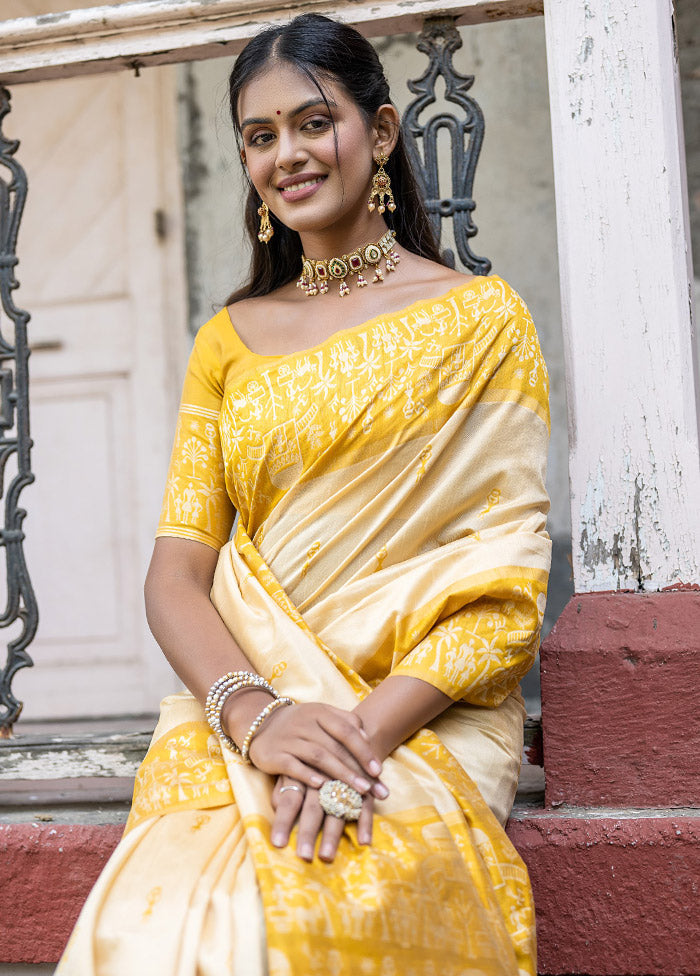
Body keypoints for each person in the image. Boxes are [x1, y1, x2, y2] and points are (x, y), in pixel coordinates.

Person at [56, 13, 551, 976]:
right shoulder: (228, 341)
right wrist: (260, 720)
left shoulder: (481, 322)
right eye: (259, 135)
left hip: (418, 713)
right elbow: (177, 575)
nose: (288, 153)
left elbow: (505, 584)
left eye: (312, 122)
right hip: (256, 707)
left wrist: (349, 745)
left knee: (326, 903)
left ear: (381, 132)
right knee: (160, 929)